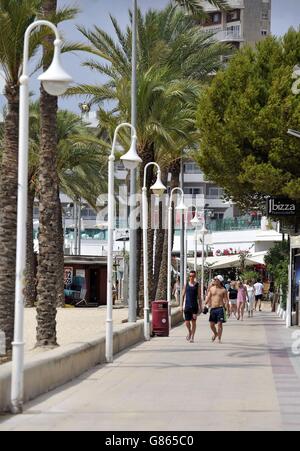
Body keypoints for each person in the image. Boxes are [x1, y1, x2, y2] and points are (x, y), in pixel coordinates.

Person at [205, 275, 229, 343]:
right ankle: (215, 333)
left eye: (216, 279)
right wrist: (204, 304)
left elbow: (226, 300)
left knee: (219, 324)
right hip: (213, 308)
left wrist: (228, 310)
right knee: (211, 325)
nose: (214, 280)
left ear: (220, 281)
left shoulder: (223, 290)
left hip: (220, 308)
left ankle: (219, 339)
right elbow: (208, 297)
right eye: (214, 279)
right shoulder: (212, 288)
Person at [181, 270, 202, 343]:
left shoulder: (197, 285)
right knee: (187, 322)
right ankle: (190, 332)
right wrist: (181, 306)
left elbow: (199, 297)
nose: (191, 277)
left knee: (193, 322)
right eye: (190, 276)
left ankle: (192, 337)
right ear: (188, 277)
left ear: (195, 276)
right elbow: (183, 295)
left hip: (194, 307)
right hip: (187, 306)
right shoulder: (186, 285)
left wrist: (200, 307)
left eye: (193, 276)